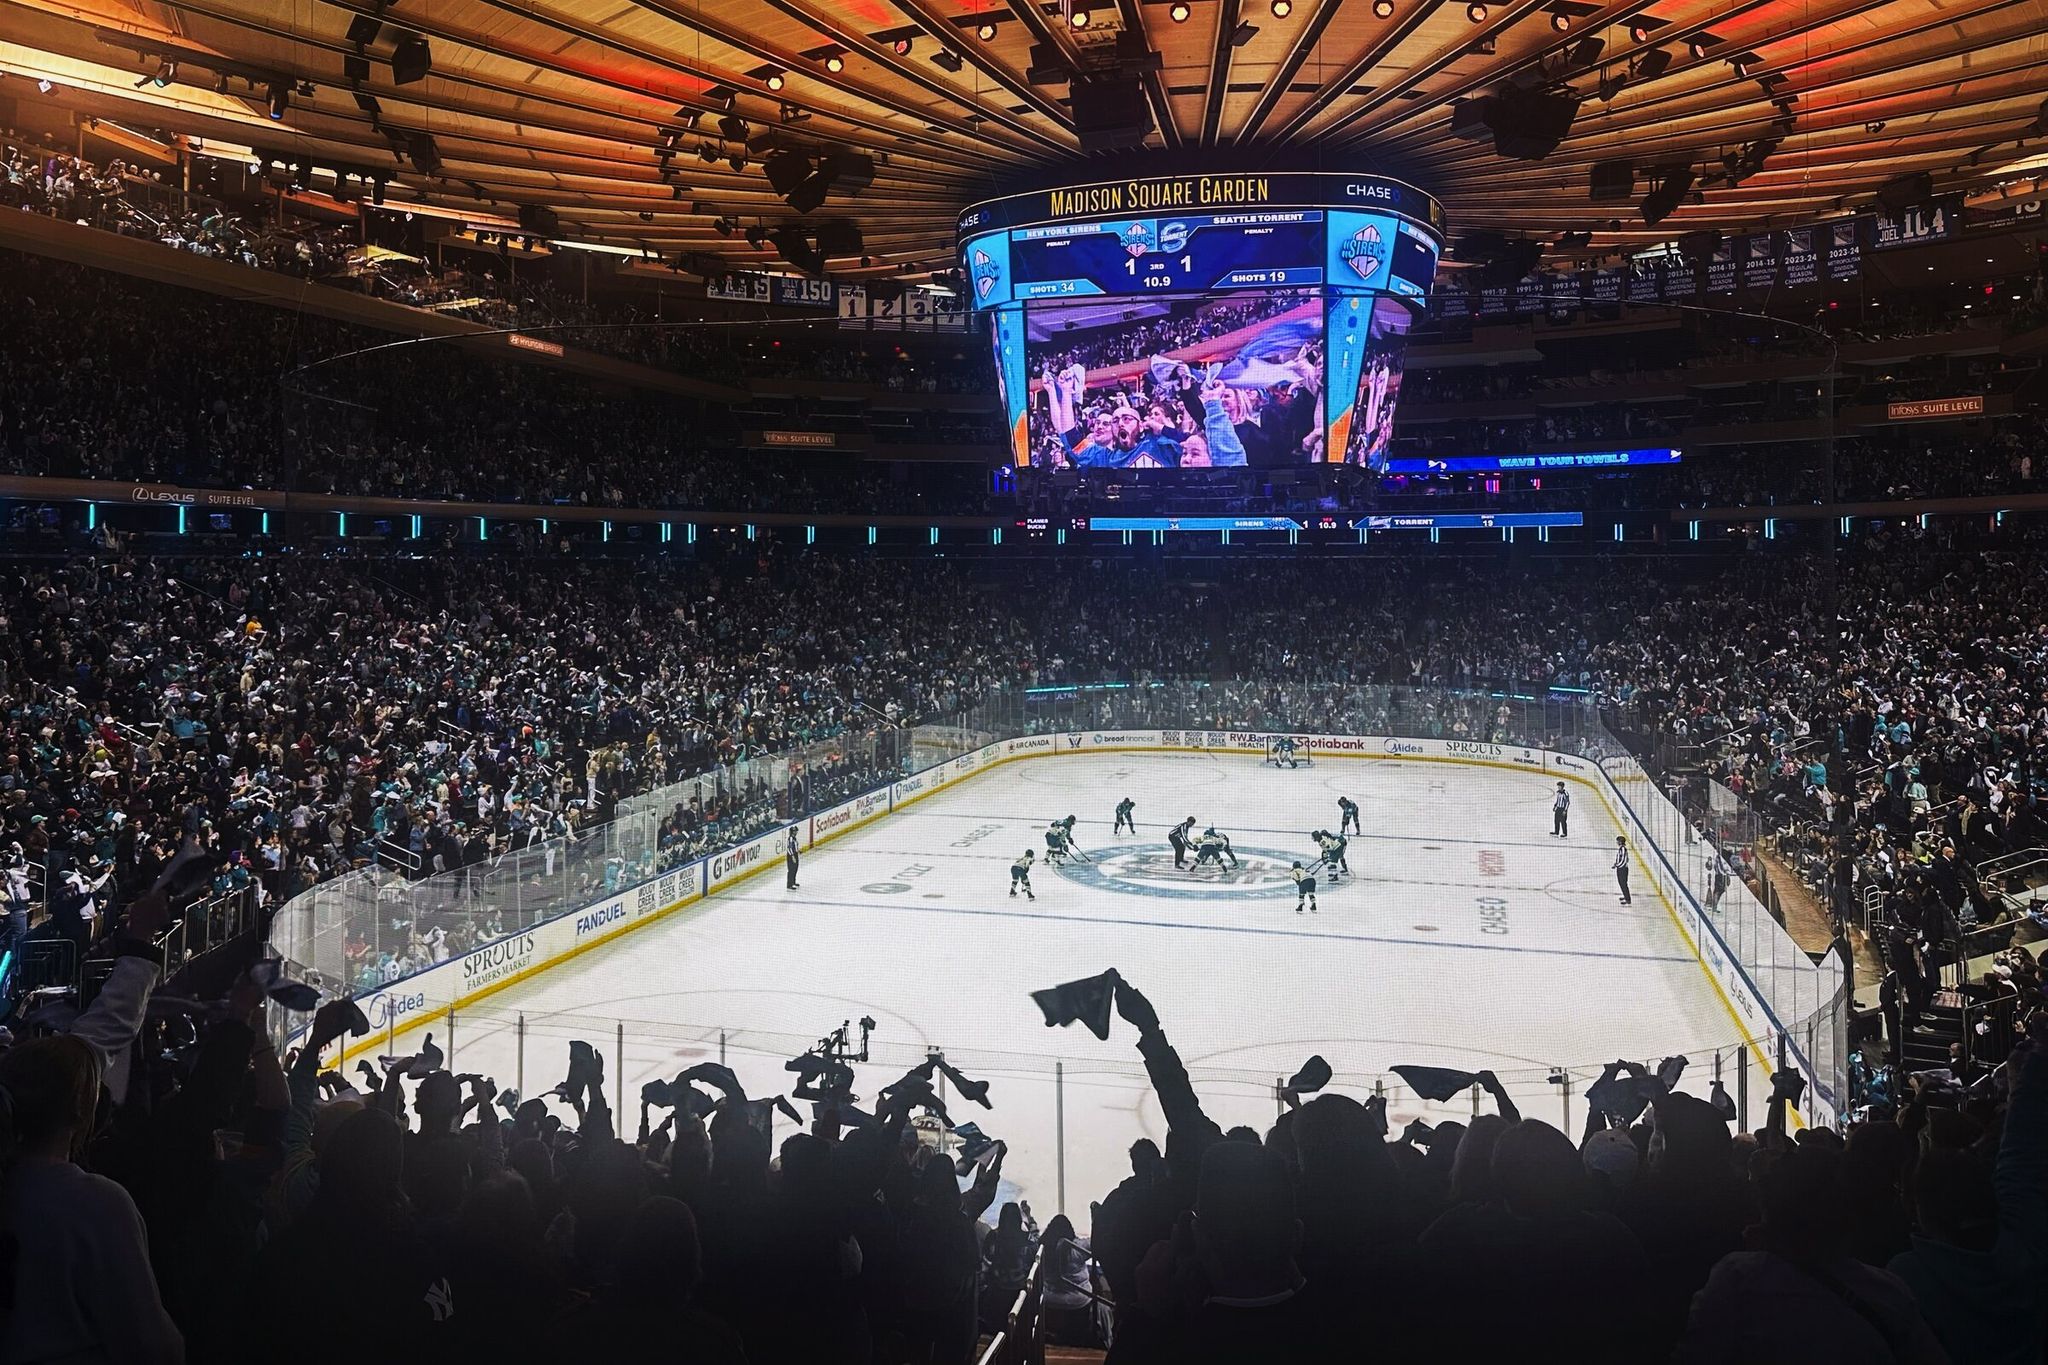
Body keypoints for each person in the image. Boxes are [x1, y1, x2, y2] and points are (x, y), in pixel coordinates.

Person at [1613, 835, 1632, 905]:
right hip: (1621, 868)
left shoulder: (1623, 849)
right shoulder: (1621, 849)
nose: (1617, 842)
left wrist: (1617, 865)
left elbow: (1624, 860)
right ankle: (1626, 896)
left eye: (1618, 841)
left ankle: (1628, 899)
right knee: (1622, 884)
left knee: (1623, 884)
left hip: (1622, 869)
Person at [785, 825, 800, 889]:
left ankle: (793, 882)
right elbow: (789, 848)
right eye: (795, 831)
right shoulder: (790, 838)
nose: (796, 832)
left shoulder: (794, 838)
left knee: (795, 869)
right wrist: (792, 856)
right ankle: (789, 884)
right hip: (791, 856)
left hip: (795, 854)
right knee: (791, 870)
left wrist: (798, 851)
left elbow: (795, 847)